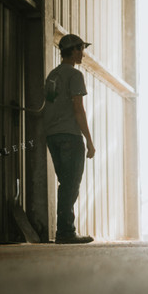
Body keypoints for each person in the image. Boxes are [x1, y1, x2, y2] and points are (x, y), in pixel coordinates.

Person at [43, 34, 96, 244]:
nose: (82, 53)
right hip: (70, 136)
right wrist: (89, 141)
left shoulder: (52, 76)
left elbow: (49, 105)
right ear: (73, 50)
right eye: (81, 49)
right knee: (71, 184)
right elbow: (78, 108)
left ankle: (65, 230)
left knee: (65, 183)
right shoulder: (75, 75)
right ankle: (65, 232)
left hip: (53, 136)